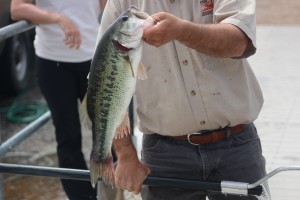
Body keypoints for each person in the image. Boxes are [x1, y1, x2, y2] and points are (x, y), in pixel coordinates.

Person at [97, 1, 270, 200]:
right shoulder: (121, 3)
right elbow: (105, 84)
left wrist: (181, 31)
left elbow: (240, 42)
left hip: (236, 145)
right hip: (164, 153)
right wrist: (126, 155)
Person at [10, 0, 106, 199]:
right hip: (53, 64)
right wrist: (58, 18)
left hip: (94, 60)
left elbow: (111, 7)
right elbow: (17, 9)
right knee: (68, 138)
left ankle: (105, 193)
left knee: (108, 134)